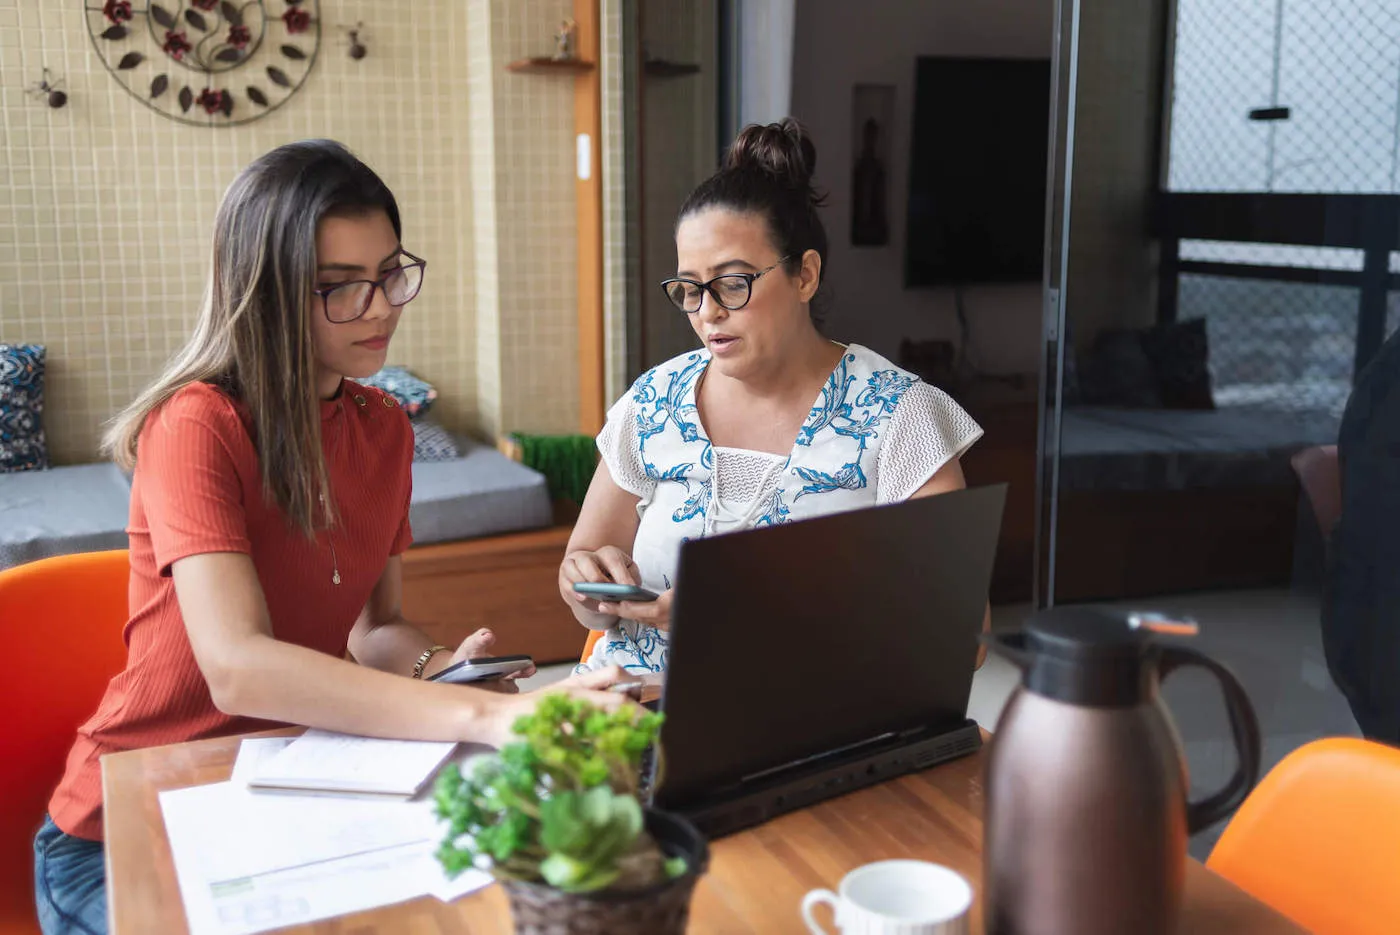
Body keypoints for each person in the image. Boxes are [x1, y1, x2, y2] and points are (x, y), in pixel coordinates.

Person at [35, 140, 627, 935]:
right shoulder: (197, 426)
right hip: (128, 824)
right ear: (267, 295)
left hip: (286, 788)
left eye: (389, 274)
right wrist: (486, 720)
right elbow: (238, 670)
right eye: (338, 288)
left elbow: (375, 627)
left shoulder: (384, 428)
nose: (380, 306)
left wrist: (444, 669)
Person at [559, 118, 986, 675]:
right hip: (632, 707)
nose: (707, 311)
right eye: (690, 288)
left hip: (808, 729)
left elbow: (965, 638)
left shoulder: (898, 416)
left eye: (733, 282)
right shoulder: (653, 403)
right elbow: (582, 587)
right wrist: (586, 585)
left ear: (805, 275)